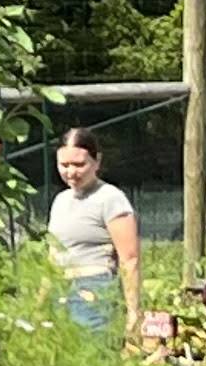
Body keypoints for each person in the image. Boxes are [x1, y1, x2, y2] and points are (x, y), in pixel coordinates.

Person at [47, 125, 141, 340]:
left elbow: (130, 259)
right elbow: (52, 255)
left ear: (96, 161)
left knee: (94, 361)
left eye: (79, 164)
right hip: (60, 290)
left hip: (95, 289)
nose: (71, 172)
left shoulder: (110, 198)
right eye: (64, 165)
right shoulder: (60, 200)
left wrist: (134, 313)